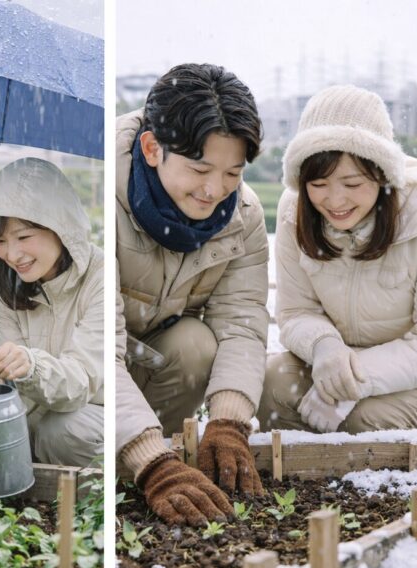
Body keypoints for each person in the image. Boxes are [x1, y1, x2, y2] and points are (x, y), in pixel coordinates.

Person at [116, 63, 269, 526]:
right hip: (92, 369)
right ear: (152, 149)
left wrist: (229, 422)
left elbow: (241, 321)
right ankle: (143, 460)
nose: (214, 190)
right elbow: (95, 341)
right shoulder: (108, 193)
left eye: (232, 172)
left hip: (154, 359)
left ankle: (166, 454)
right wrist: (151, 463)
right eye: (200, 169)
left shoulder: (242, 215)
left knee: (194, 344)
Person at [258, 85, 417, 433]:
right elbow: (296, 311)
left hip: (415, 376)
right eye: (319, 184)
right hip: (335, 361)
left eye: (351, 184)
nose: (335, 201)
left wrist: (354, 380)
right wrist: (325, 347)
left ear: (381, 174)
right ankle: (303, 465)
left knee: (363, 420)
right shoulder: (293, 212)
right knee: (272, 385)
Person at [0, 158, 103, 467]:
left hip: (99, 412)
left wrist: (30, 365)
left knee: (61, 432)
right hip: (37, 416)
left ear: (61, 228)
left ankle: (103, 488)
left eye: (24, 237)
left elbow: (82, 380)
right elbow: (17, 389)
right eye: (0, 241)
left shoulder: (101, 277)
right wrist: (0, 369)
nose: (12, 255)